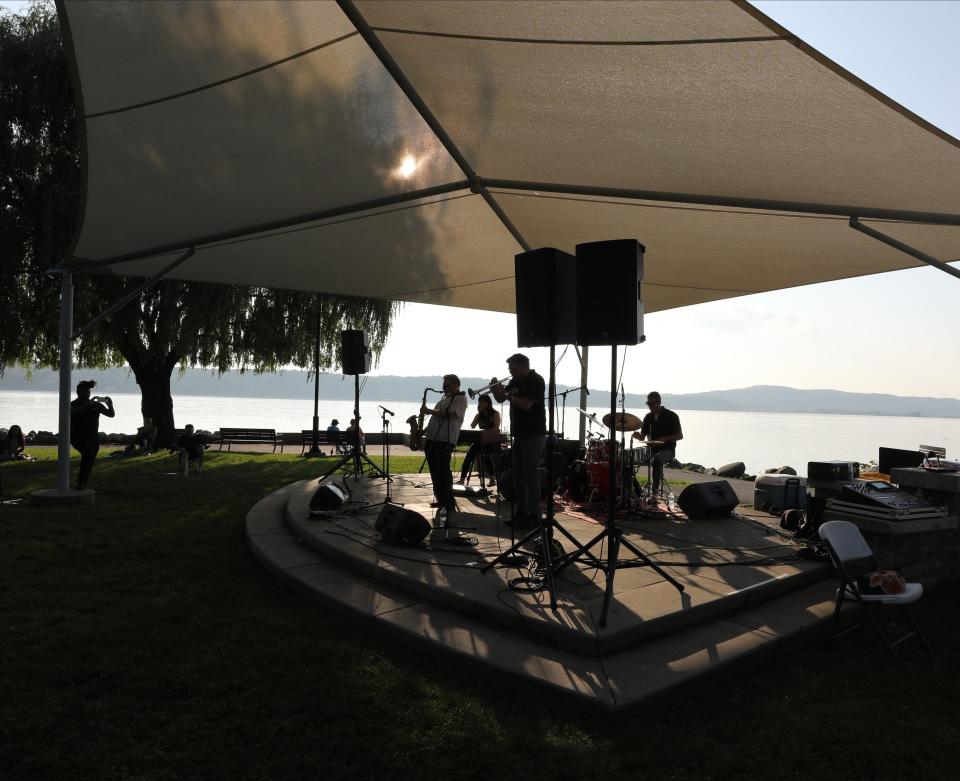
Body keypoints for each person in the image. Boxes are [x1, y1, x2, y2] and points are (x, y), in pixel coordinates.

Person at [491, 353, 546, 527]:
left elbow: (526, 404)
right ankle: (522, 512)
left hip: (533, 432)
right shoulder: (515, 381)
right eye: (510, 369)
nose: (511, 372)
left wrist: (505, 394)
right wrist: (495, 390)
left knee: (530, 474)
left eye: (513, 368)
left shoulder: (536, 380)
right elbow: (502, 398)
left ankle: (534, 514)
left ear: (523, 366)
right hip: (519, 433)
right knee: (519, 475)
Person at [420, 374, 468, 521]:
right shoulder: (444, 399)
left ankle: (448, 501)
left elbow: (450, 414)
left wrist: (429, 411)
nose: (443, 387)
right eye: (443, 385)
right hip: (433, 439)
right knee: (435, 471)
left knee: (443, 471)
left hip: (445, 440)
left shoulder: (460, 398)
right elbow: (436, 418)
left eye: (446, 385)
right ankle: (441, 498)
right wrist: (422, 431)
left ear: (455, 385)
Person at [632, 391, 683, 495]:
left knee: (657, 460)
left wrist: (664, 439)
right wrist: (637, 435)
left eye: (652, 404)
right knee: (628, 459)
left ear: (659, 402)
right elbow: (643, 436)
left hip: (668, 450)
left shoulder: (671, 416)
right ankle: (634, 490)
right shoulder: (648, 417)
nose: (650, 406)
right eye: (648, 404)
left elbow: (679, 436)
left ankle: (654, 493)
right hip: (651, 449)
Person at [70, 380, 115, 490]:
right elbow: (73, 412)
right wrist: (87, 404)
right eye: (84, 392)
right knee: (87, 454)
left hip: (93, 437)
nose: (87, 394)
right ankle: (81, 483)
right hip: (77, 436)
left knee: (89, 460)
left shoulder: (96, 405)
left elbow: (111, 414)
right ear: (78, 392)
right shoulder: (73, 404)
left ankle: (83, 482)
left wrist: (110, 405)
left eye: (88, 392)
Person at [456, 394, 501, 486]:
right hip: (479, 441)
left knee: (486, 456)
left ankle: (493, 478)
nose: (481, 404)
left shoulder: (495, 414)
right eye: (479, 402)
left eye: (483, 402)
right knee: (468, 457)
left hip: (491, 440)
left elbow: (496, 428)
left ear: (488, 403)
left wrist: (485, 432)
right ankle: (462, 479)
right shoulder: (479, 414)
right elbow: (472, 426)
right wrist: (478, 414)